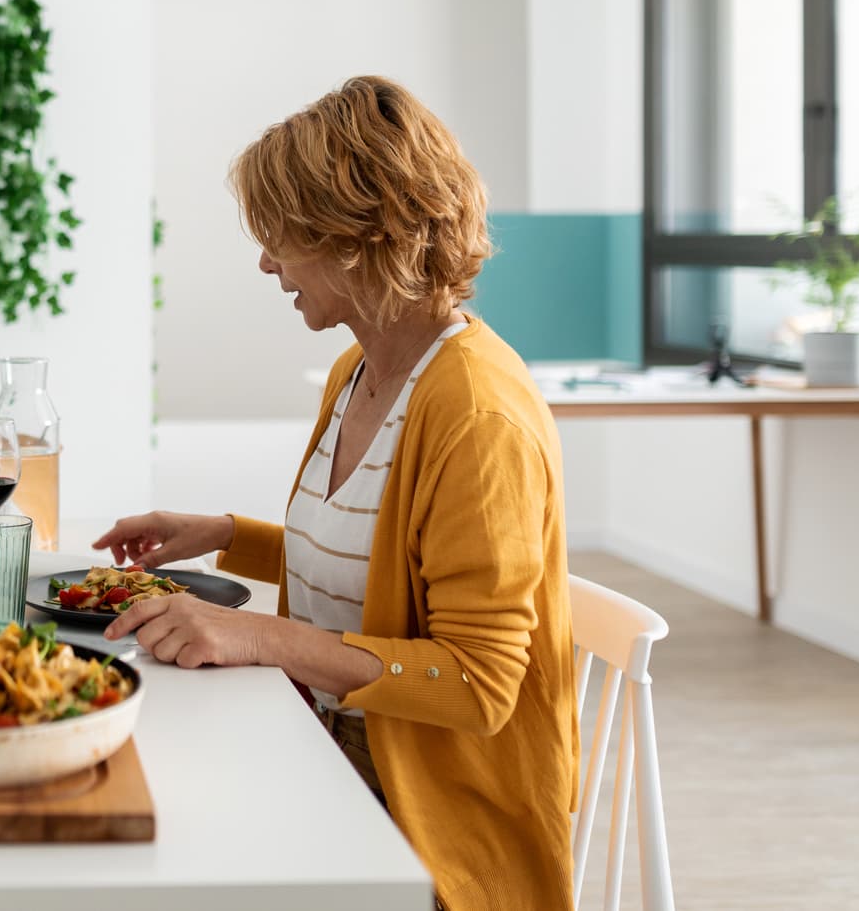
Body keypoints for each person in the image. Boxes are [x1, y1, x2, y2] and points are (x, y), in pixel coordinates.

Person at [95, 76, 577, 911]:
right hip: (330, 757)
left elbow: (477, 684)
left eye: (280, 234)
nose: (265, 260)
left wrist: (259, 636)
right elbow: (384, 578)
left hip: (429, 827)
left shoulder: (476, 413)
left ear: (357, 234)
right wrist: (221, 533)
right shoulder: (360, 369)